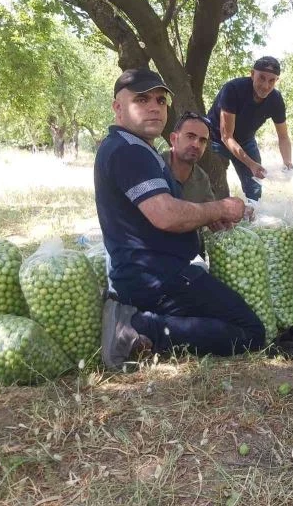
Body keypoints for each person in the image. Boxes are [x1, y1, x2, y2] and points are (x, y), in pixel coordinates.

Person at [95, 68, 265, 370]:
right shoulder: (129, 151)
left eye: (160, 101)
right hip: (157, 278)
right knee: (251, 331)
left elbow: (159, 214)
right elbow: (165, 215)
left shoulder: (136, 148)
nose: (154, 107)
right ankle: (139, 328)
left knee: (216, 314)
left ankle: (143, 321)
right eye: (142, 99)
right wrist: (220, 209)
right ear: (118, 107)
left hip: (154, 273)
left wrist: (202, 218)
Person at [207, 56, 293, 201]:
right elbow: (226, 136)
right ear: (252, 74)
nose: (265, 86)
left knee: (255, 188)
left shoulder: (276, 99)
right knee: (217, 187)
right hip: (216, 140)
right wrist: (251, 164)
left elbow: (283, 136)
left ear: (276, 81)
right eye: (261, 78)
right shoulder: (233, 89)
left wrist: (287, 162)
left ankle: (253, 212)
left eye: (271, 81)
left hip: (246, 140)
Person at [160, 111, 216, 204]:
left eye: (202, 140)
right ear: (173, 139)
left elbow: (212, 211)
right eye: (190, 137)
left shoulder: (202, 179)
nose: (196, 145)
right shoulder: (155, 165)